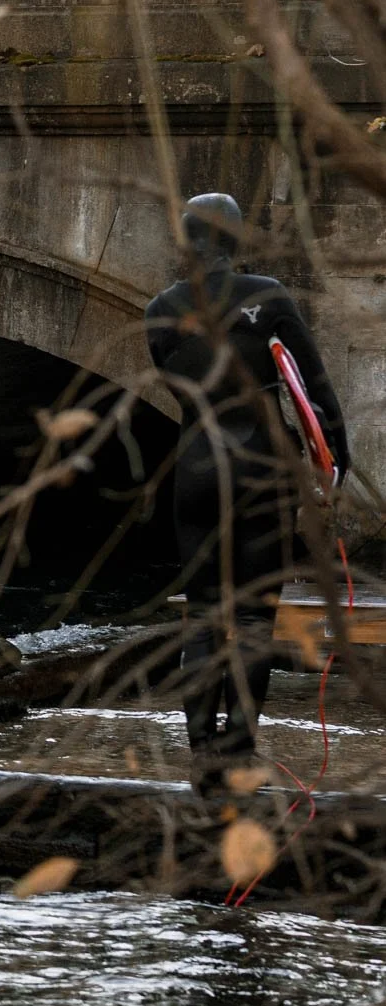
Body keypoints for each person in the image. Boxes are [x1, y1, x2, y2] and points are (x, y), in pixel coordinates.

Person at [145, 193, 347, 797]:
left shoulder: (161, 308)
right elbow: (315, 387)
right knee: (256, 615)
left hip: (197, 466)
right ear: (235, 239)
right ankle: (239, 743)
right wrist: (335, 460)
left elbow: (174, 383)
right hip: (261, 464)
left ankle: (202, 748)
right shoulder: (270, 297)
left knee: (205, 611)